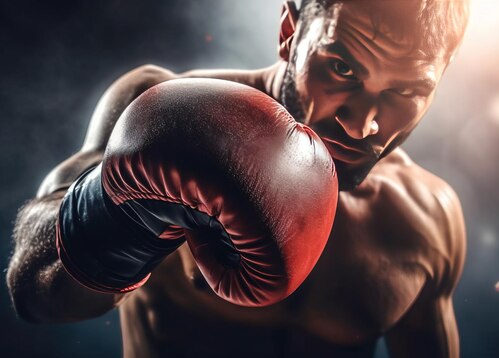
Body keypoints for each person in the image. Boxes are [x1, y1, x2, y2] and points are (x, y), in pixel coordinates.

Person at [7, 0, 469, 356]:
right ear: (290, 32)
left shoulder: (425, 219)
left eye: (405, 90)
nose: (362, 122)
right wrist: (125, 212)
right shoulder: (163, 114)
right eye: (342, 68)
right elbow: (34, 294)